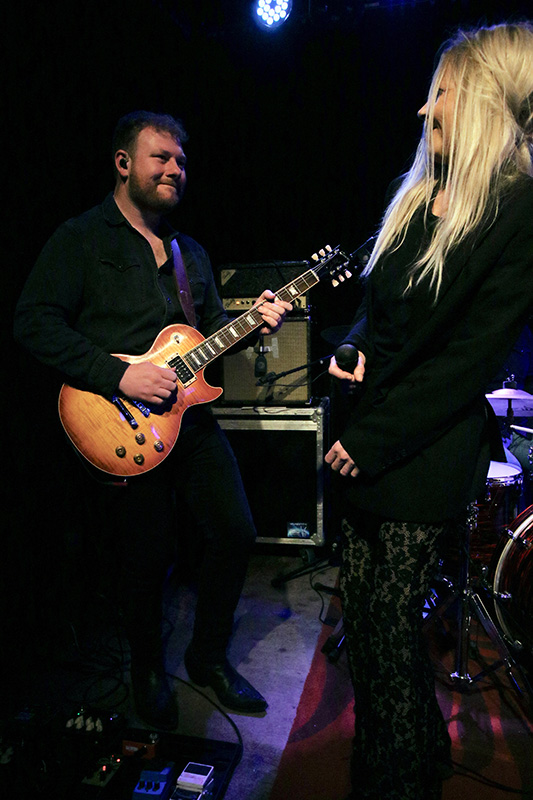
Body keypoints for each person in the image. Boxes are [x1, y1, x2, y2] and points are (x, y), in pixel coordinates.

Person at [14, 110, 292, 729]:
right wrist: (119, 376)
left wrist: (254, 325)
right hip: (121, 423)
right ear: (123, 163)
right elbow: (32, 322)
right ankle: (146, 667)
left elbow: (210, 339)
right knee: (145, 556)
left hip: (189, 423)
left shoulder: (190, 252)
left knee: (236, 532)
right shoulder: (80, 238)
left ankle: (207, 656)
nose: (174, 170)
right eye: (160, 158)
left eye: (181, 161)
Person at [325, 23, 533, 800]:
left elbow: (469, 361)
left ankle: (392, 779)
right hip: (366, 434)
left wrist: (373, 438)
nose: (423, 109)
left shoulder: (517, 208)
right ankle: (411, 756)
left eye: (439, 93)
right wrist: (352, 344)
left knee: (386, 630)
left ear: (478, 100)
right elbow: (379, 308)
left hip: (421, 450)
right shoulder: (415, 195)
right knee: (369, 631)